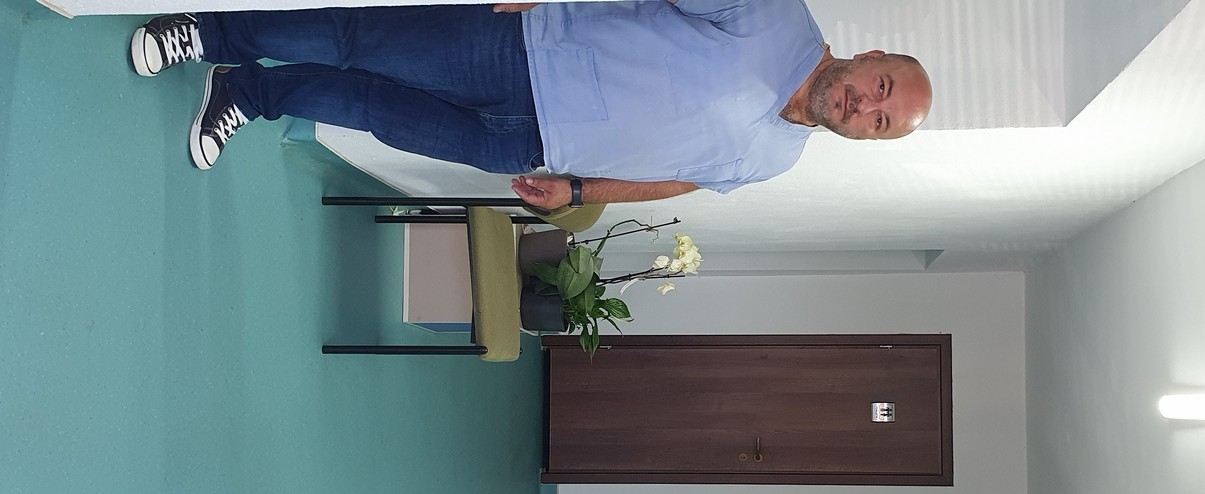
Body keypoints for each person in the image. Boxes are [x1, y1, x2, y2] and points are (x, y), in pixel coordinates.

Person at [130, 1, 931, 210]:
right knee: (356, 40)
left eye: (880, 121)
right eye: (882, 88)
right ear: (872, 57)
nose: (866, 105)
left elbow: (684, 179)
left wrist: (580, 191)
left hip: (525, 144)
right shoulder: (779, 18)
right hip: (523, 51)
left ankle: (248, 91)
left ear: (868, 137)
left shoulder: (779, 158)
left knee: (373, 109)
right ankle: (204, 33)